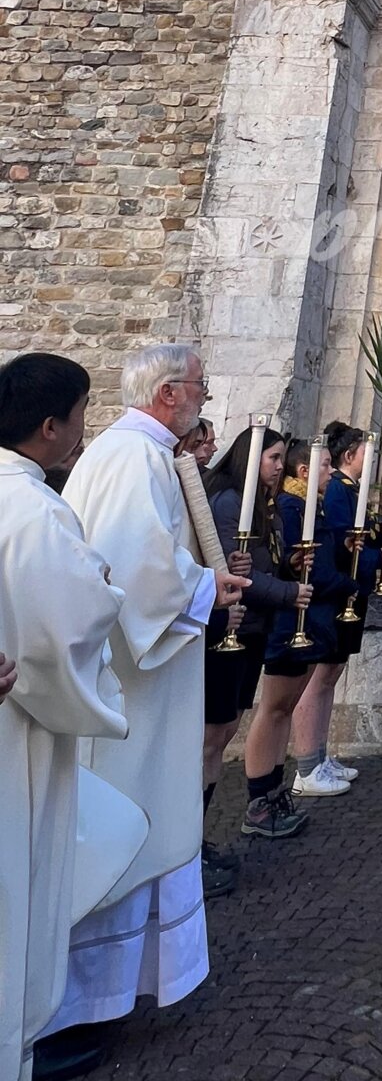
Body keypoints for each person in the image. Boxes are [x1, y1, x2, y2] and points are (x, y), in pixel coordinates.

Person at [46, 345, 248, 1045]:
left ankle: (102, 991)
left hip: (142, 676)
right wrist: (205, 588)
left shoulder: (136, 454)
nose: (205, 395)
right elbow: (140, 569)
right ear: (167, 393)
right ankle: (83, 1002)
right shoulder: (135, 458)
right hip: (136, 685)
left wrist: (196, 580)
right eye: (197, 385)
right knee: (126, 827)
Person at [0, 355, 129, 1081]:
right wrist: (102, 586)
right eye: (81, 414)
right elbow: (68, 621)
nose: (85, 431)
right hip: (17, 733)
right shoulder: (35, 509)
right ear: (50, 428)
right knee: (18, 894)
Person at [204, 426, 310, 851]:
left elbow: (264, 563)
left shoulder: (267, 506)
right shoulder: (232, 503)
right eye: (272, 458)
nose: (280, 466)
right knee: (213, 734)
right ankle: (187, 841)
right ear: (251, 460)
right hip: (232, 627)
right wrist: (290, 592)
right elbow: (239, 575)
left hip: (253, 628)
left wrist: (290, 564)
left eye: (283, 457)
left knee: (225, 728)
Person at [242, 440, 353, 825]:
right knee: (273, 708)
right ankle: (260, 800)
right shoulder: (289, 506)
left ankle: (273, 792)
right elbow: (287, 566)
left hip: (306, 615)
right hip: (290, 619)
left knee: (283, 709)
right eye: (324, 465)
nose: (331, 471)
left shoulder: (302, 505)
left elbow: (292, 560)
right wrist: (345, 582)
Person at [290, 423, 382, 796]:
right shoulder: (337, 494)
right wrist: (377, 555)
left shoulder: (348, 491)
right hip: (337, 590)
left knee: (330, 675)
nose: (327, 472)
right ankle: (307, 765)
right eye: (322, 465)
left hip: (349, 590)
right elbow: (344, 545)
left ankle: (320, 756)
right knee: (318, 677)